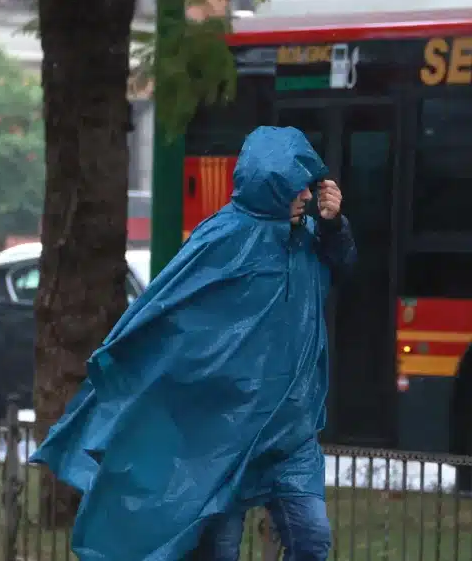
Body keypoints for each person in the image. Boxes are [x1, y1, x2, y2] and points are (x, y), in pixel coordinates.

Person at [29, 126, 356, 561]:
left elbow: (343, 266)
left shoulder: (310, 238)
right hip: (221, 434)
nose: (305, 196)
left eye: (308, 185)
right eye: (296, 185)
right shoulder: (221, 239)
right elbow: (167, 312)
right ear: (271, 185)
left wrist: (335, 226)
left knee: (312, 539)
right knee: (218, 550)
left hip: (290, 433)